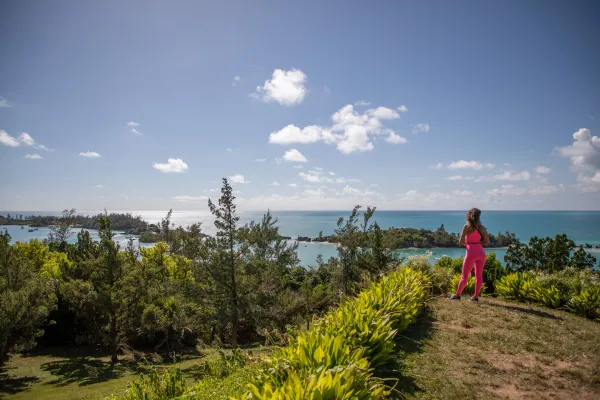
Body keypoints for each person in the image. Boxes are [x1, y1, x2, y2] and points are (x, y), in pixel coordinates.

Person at [449, 208, 490, 302]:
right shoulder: (481, 227)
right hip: (481, 253)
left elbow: (461, 241)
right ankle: (475, 297)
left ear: (469, 215)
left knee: (464, 276)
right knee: (479, 275)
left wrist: (469, 244)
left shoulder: (466, 227)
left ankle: (457, 295)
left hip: (471, 253)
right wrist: (477, 244)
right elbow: (487, 241)